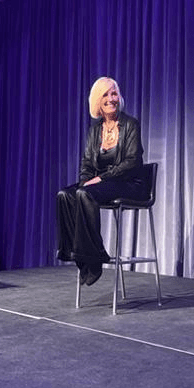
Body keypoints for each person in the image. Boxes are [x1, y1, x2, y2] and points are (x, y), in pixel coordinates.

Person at [57, 77, 147, 286]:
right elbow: (87, 163)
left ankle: (95, 257)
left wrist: (100, 178)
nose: (111, 98)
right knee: (64, 195)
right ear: (97, 100)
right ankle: (78, 254)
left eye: (114, 93)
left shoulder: (130, 124)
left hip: (129, 183)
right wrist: (85, 181)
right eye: (105, 94)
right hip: (103, 184)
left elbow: (132, 162)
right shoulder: (95, 131)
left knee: (85, 194)